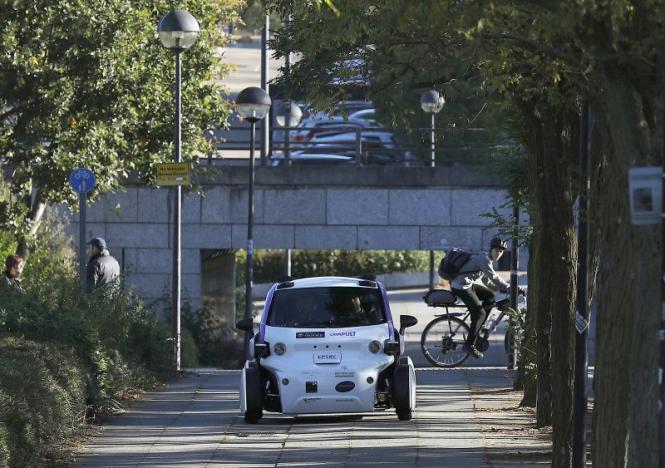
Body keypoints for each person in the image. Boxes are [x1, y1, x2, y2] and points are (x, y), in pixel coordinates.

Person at [450, 237, 513, 359]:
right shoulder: (484, 259)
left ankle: (479, 327)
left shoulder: (486, 259)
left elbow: (486, 279)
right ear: (491, 249)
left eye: (501, 251)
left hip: (466, 284)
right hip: (460, 286)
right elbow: (493, 277)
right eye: (497, 250)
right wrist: (508, 287)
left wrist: (497, 288)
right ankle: (469, 345)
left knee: (490, 296)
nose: (499, 253)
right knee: (479, 313)